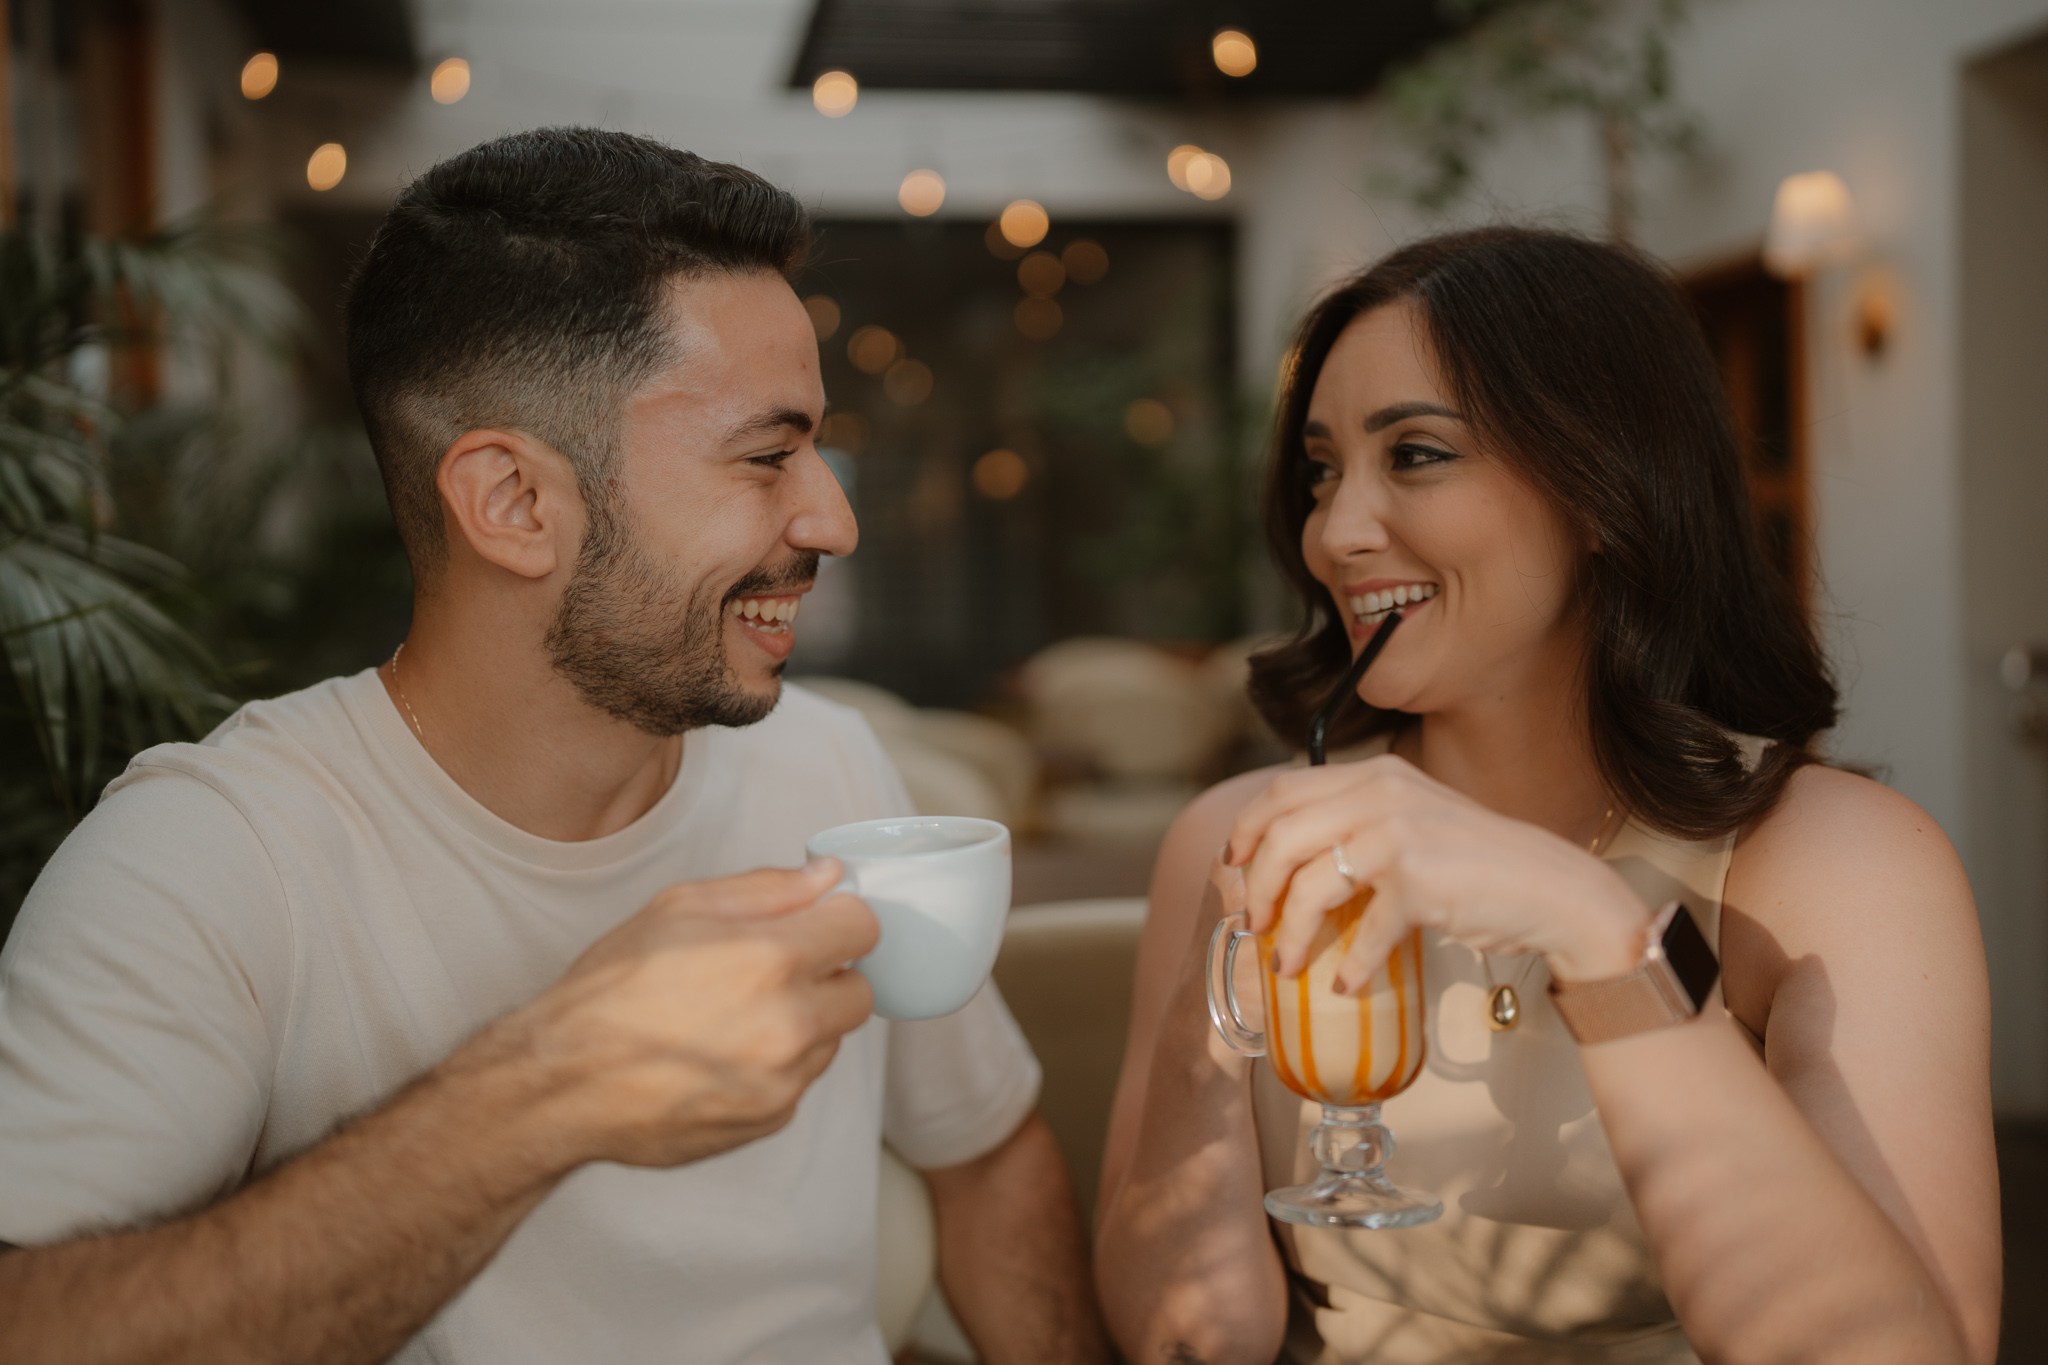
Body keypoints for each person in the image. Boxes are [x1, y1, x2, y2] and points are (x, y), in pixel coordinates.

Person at [0, 128, 1109, 1365]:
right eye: (766, 456)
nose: (832, 516)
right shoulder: (206, 864)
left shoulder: (827, 766)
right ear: (514, 503)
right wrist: (550, 1087)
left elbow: (987, 1151)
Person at [1095, 228, 1999, 1364]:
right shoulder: (1233, 841)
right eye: (1321, 471)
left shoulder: (1835, 866)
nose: (1334, 532)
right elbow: (1191, 1340)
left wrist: (1595, 931)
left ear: (1601, 491)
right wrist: (1213, 1003)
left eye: (1414, 454)